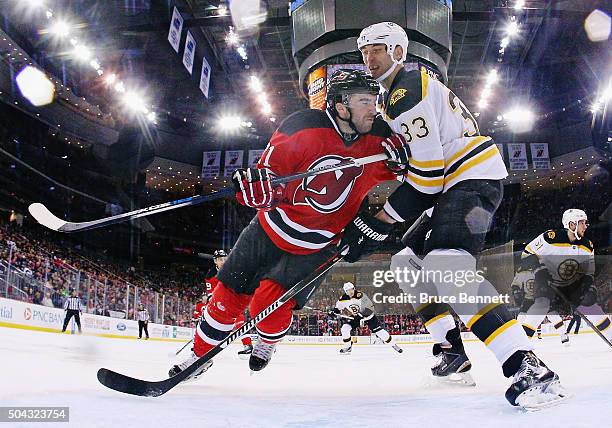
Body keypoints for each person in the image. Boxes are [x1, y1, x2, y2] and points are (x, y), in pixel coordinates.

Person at [357, 21, 566, 409]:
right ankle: (451, 351)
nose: (369, 58)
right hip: (452, 184)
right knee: (406, 263)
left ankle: (526, 363)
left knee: (444, 265)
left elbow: (427, 177)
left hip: (469, 177)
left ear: (398, 51)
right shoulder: (393, 97)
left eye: (377, 50)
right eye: (365, 50)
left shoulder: (405, 92)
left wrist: (381, 219)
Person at [169, 69, 405, 380]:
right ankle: (198, 356)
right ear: (340, 105)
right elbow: (269, 179)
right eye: (364, 101)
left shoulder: (378, 138)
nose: (373, 108)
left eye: (374, 100)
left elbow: (412, 176)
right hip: (269, 229)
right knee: (226, 298)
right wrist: (257, 188)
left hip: (318, 246)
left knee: (269, 305)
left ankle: (267, 341)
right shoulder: (301, 127)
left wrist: (404, 163)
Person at [517, 209, 611, 345]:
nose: (586, 226)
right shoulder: (550, 237)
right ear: (572, 224)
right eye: (582, 223)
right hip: (546, 280)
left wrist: (587, 287)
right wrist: (540, 270)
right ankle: (521, 344)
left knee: (591, 307)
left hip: (569, 284)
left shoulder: (587, 246)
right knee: (541, 305)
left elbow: (589, 272)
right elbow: (526, 254)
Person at [330, 282, 402, 354]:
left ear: (354, 288)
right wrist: (333, 312)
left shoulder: (360, 295)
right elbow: (337, 309)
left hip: (369, 316)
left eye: (352, 289)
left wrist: (363, 317)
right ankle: (348, 347)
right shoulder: (343, 299)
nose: (351, 291)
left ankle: (393, 345)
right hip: (356, 317)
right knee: (345, 328)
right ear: (345, 291)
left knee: (380, 332)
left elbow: (370, 307)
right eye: (348, 290)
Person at [512, 267, 569, 344]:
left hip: (543, 297)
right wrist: (516, 290)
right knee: (521, 317)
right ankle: (518, 338)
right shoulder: (522, 272)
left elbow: (554, 280)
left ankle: (563, 334)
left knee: (553, 316)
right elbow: (515, 284)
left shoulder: (543, 269)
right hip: (529, 298)